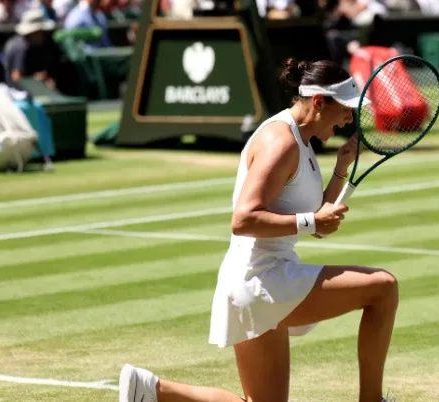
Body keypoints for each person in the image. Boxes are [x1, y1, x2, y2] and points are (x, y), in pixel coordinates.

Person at [118, 58, 400, 402]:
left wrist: (341, 168)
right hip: (261, 278)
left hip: (256, 278)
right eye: (345, 110)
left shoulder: (300, 140)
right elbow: (244, 220)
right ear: (318, 102)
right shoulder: (281, 142)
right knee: (383, 287)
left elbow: (316, 222)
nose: (349, 119)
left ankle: (151, 389)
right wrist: (312, 222)